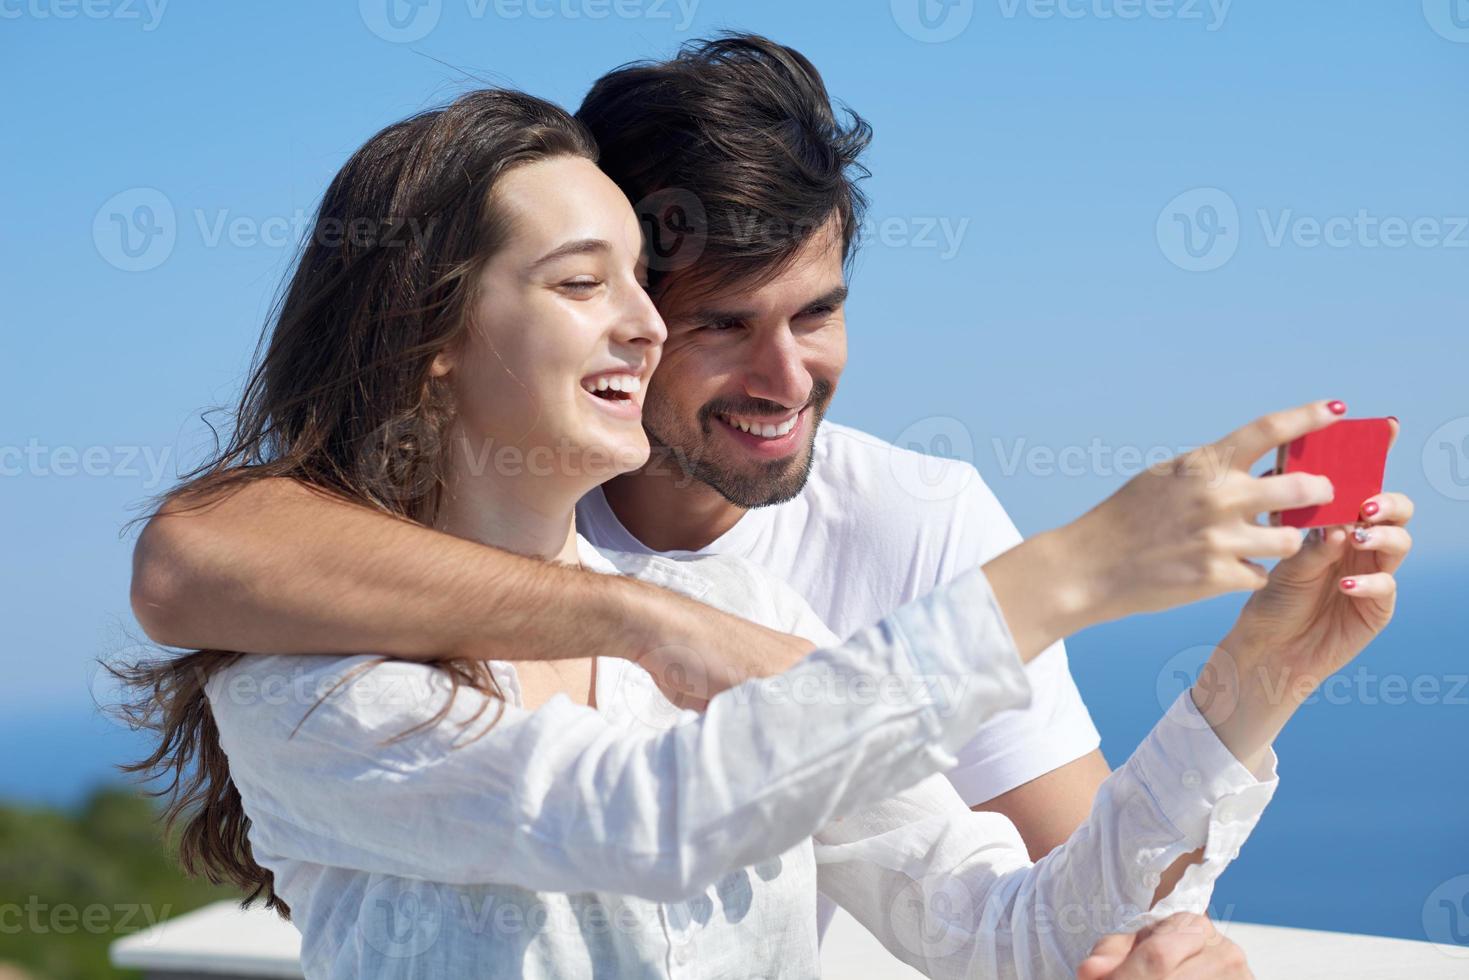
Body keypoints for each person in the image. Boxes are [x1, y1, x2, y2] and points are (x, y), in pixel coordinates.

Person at [121, 88, 1413, 979]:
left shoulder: (752, 614)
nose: (639, 323)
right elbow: (647, 818)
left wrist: (1256, 681)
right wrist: (1065, 574)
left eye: (640, 279)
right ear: (435, 340)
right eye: (582, 284)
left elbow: (1003, 936)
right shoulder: (309, 683)